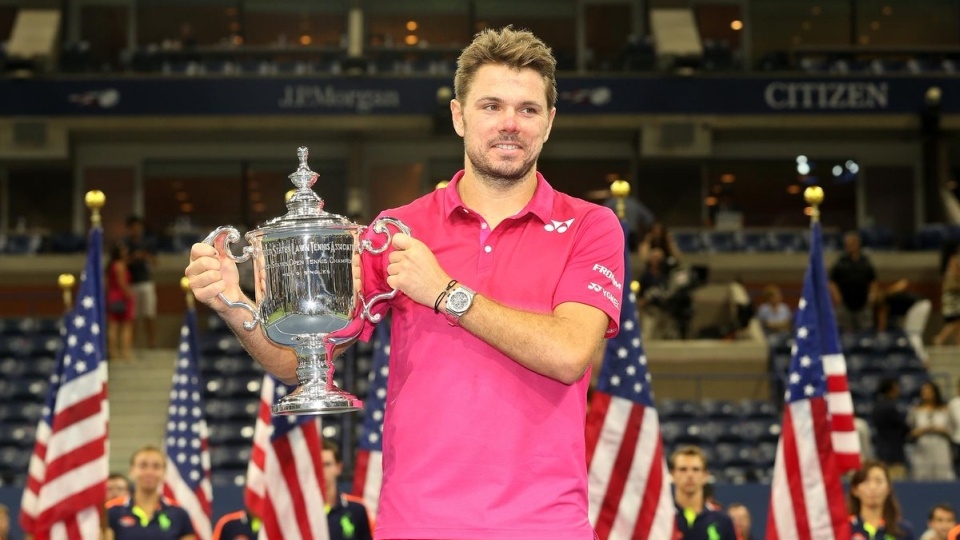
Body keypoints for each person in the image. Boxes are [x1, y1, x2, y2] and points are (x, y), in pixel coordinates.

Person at [185, 26, 625, 539]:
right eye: (490, 106)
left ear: (549, 123)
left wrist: (443, 292)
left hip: (545, 525)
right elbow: (296, 361)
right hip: (416, 523)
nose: (510, 124)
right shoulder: (396, 230)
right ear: (459, 117)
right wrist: (231, 301)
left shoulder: (590, 226)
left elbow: (570, 352)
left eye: (527, 110)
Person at [105, 446, 196, 540]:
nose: (149, 472)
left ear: (164, 473)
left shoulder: (179, 514)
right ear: (131, 471)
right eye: (143, 465)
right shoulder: (112, 511)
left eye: (156, 466)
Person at [670, 446, 737, 540]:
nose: (690, 475)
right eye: (683, 469)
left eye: (696, 469)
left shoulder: (722, 521)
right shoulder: (661, 519)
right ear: (672, 475)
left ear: (705, 475)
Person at [848, 460, 914, 540]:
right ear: (855, 490)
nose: (873, 487)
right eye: (866, 481)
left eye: (879, 481)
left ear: (888, 488)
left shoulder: (903, 530)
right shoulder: (844, 527)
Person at [322, 439, 373, 540]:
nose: (322, 471)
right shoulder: (301, 513)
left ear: (338, 468)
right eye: (318, 465)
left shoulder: (357, 510)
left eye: (327, 465)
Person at [829, 231, 879, 332]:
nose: (849, 246)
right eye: (847, 244)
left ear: (857, 244)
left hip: (863, 303)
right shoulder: (840, 262)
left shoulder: (865, 262)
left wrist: (872, 296)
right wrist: (836, 295)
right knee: (845, 331)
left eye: (852, 244)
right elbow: (832, 281)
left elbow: (873, 280)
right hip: (845, 304)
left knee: (865, 330)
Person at [907, 381, 956, 481]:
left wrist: (941, 430)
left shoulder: (946, 409)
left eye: (929, 391)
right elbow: (910, 432)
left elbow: (953, 430)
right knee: (922, 474)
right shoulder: (915, 410)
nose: (926, 394)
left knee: (943, 474)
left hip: (941, 445)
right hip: (923, 446)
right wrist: (921, 430)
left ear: (935, 392)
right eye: (924, 392)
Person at [124, 215, 158, 349]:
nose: (136, 230)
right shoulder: (125, 243)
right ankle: (132, 345)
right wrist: (133, 258)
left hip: (146, 282)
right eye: (133, 227)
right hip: (131, 283)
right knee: (132, 317)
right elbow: (120, 264)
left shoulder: (147, 243)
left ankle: (152, 342)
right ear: (129, 229)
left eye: (138, 227)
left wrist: (145, 256)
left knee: (149, 314)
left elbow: (156, 262)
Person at [871, 378, 910, 480]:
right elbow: (902, 426)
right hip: (893, 452)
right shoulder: (889, 407)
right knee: (895, 481)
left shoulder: (877, 405)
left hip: (882, 449)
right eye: (897, 387)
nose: (899, 390)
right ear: (892, 388)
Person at [106, 242, 135, 362]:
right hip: (122, 297)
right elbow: (121, 282)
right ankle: (125, 352)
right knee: (126, 326)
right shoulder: (120, 265)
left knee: (113, 326)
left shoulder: (111, 266)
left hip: (112, 297)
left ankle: (113, 352)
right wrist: (129, 295)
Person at [933, 243, 960, 346]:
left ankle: (958, 342)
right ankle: (940, 338)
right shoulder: (953, 259)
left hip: (956, 294)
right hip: (953, 295)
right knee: (955, 320)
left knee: (957, 321)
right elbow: (957, 274)